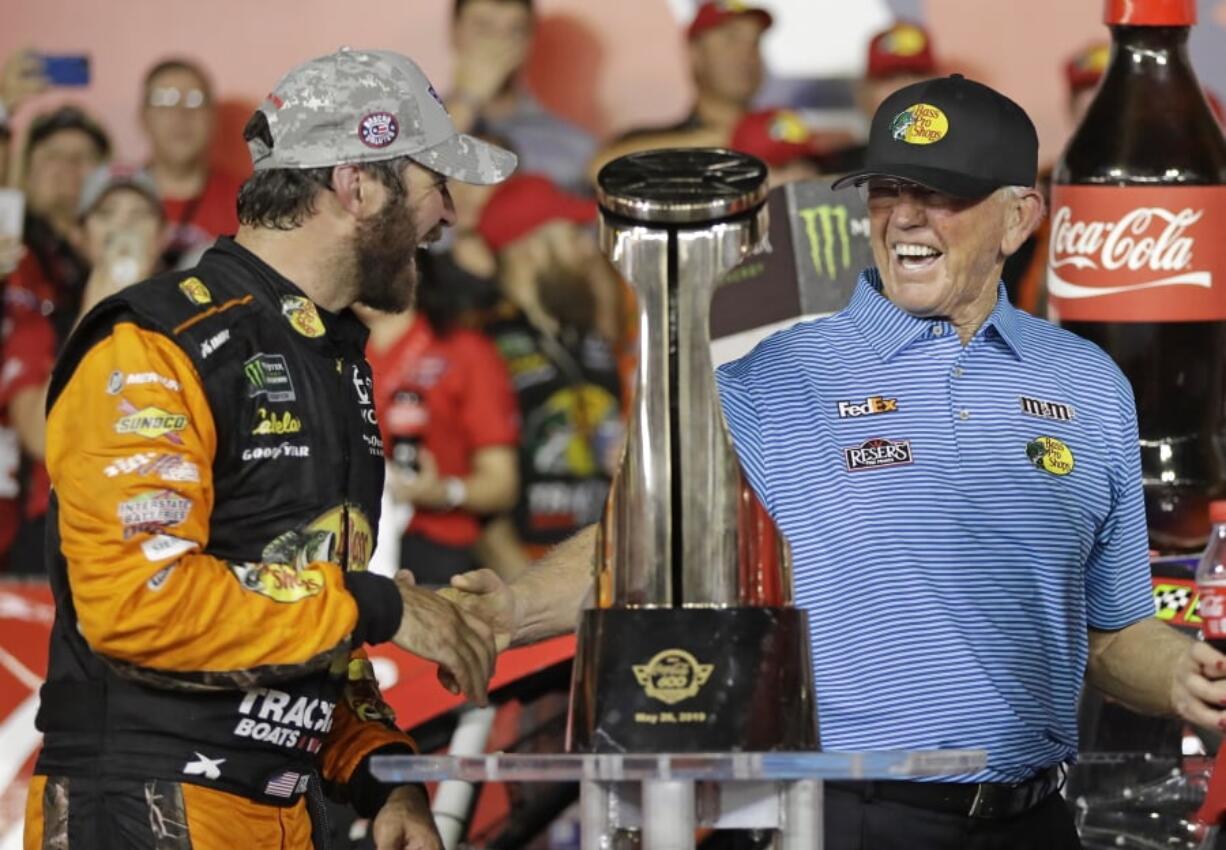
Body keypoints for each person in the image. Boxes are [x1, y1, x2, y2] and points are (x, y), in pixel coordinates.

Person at [443, 75, 1226, 848]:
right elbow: (641, 548)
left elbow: (1114, 635)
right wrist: (506, 612)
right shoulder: (772, 379)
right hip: (849, 815)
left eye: (942, 194)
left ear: (1018, 218)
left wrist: (1186, 677)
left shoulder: (1088, 384)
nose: (906, 218)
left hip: (1038, 821)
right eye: (886, 190)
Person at [22, 47, 515, 849]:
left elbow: (299, 603)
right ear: (358, 185)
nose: (450, 215)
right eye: (436, 185)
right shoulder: (153, 343)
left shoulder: (331, 356)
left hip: (283, 809)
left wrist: (378, 773)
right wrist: (383, 604)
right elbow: (138, 607)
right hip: (148, 806)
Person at [1, 165, 165, 575]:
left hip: (166, 526)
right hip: (60, 537)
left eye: (138, 215)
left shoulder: (200, 323)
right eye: (107, 214)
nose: (122, 229)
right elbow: (39, 434)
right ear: (80, 235)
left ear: (162, 236)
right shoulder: (42, 324)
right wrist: (97, 311)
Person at [476, 174, 625, 559]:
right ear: (531, 249)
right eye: (574, 234)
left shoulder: (588, 340)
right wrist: (525, 600)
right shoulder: (484, 344)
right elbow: (478, 507)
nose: (588, 250)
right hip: (526, 578)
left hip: (600, 566)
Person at [360, 261, 520, 585]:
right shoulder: (322, 346)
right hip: (342, 543)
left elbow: (502, 483)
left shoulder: (463, 351)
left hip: (434, 547)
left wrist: (444, 492)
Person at [588, 0, 771, 178]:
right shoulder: (646, 142)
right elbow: (601, 171)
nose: (747, 54)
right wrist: (729, 139)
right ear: (695, 53)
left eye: (755, 42)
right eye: (730, 39)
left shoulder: (785, 130)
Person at [445, 0, 595, 195]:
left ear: (530, 41)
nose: (498, 44)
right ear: (455, 32)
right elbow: (408, 186)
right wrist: (467, 99)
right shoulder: (407, 128)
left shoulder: (577, 148)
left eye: (515, 31)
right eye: (483, 28)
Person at [139, 57, 245, 268]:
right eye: (165, 101)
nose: (181, 115)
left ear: (213, 117)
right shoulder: (116, 199)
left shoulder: (248, 202)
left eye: (194, 101)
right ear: (144, 117)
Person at [823, 21, 940, 175]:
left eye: (915, 74)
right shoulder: (835, 167)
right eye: (890, 77)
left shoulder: (966, 160)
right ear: (866, 92)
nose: (904, 86)